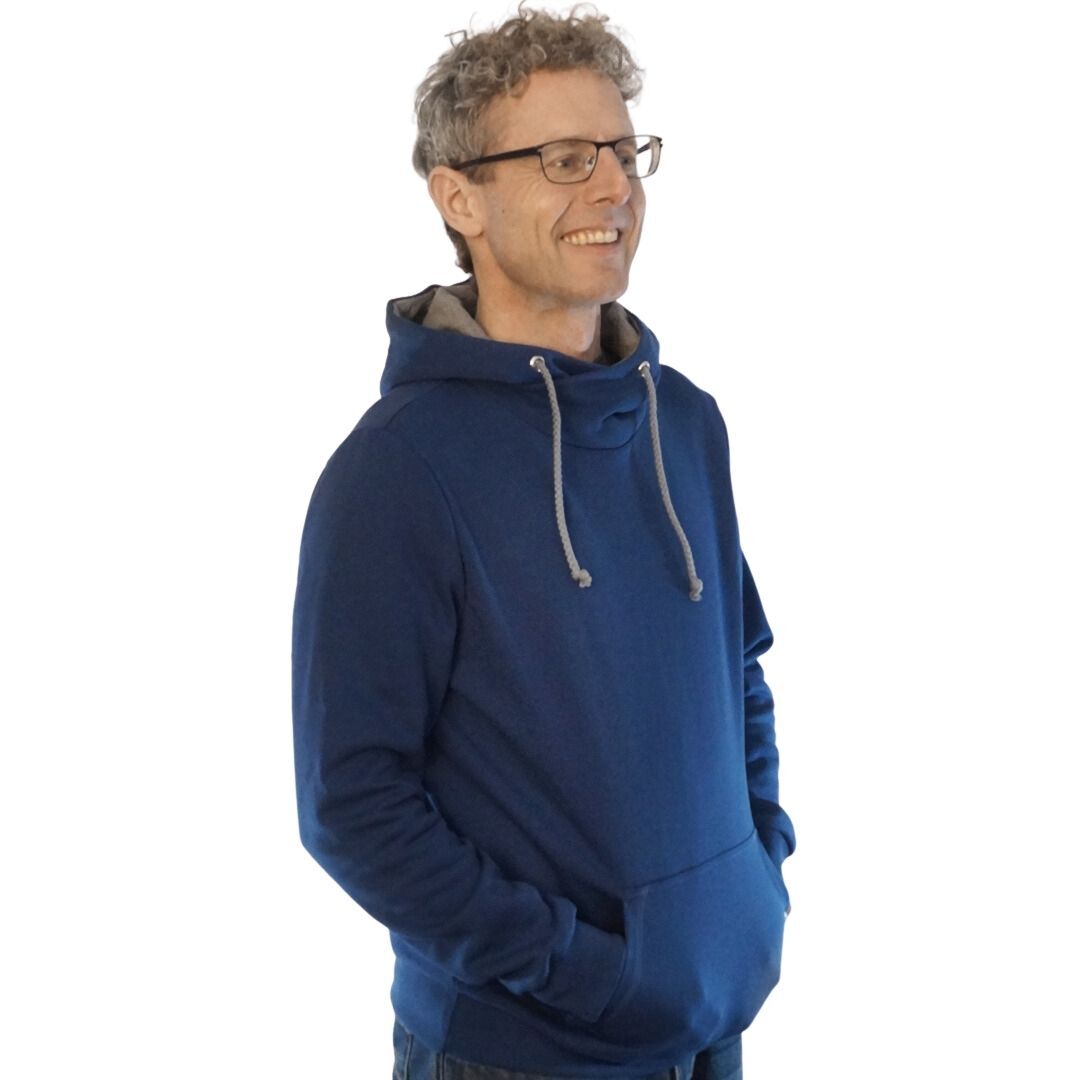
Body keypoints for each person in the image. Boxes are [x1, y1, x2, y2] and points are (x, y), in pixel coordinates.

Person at [290, 4, 796, 1078]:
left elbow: (738, 671)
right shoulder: (397, 471)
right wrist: (583, 971)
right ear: (459, 197)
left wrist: (754, 881)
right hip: (520, 1048)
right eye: (565, 159)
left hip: (712, 1019)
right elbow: (355, 806)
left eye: (624, 153)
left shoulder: (684, 421)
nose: (614, 188)